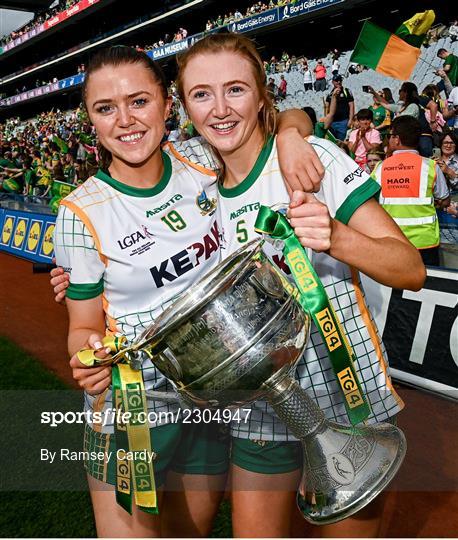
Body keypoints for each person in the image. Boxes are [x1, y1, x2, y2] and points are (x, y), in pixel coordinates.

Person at [50, 45, 325, 539]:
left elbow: (288, 113)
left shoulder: (200, 157)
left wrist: (289, 135)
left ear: (166, 104)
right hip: (134, 409)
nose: (125, 121)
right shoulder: (79, 213)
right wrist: (86, 358)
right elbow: (83, 327)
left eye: (139, 101)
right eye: (105, 108)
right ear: (90, 118)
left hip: (209, 400)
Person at [174, 33, 425, 538]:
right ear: (184, 106)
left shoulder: (311, 159)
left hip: (346, 397)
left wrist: (337, 237)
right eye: (201, 94)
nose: (220, 109)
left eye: (236, 90)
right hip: (260, 412)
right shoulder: (190, 190)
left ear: (263, 95)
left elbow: (409, 269)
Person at [371, 116, 450, 266]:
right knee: (429, 286)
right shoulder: (431, 166)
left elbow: (371, 202)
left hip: (393, 240)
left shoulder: (380, 168)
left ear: (397, 139)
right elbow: (444, 200)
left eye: (390, 136)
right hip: (425, 242)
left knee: (395, 285)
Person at [368, 82, 437, 157]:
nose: (399, 93)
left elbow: (404, 122)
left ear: (406, 93)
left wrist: (396, 118)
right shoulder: (402, 107)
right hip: (406, 139)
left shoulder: (413, 106)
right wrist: (374, 92)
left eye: (400, 91)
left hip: (421, 137)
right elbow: (386, 105)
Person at [325, 74, 354, 141]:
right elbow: (327, 107)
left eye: (340, 80)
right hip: (332, 122)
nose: (338, 82)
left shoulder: (346, 91)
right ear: (333, 82)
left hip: (343, 121)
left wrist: (350, 119)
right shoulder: (330, 94)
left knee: (341, 142)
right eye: (336, 80)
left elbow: (351, 106)